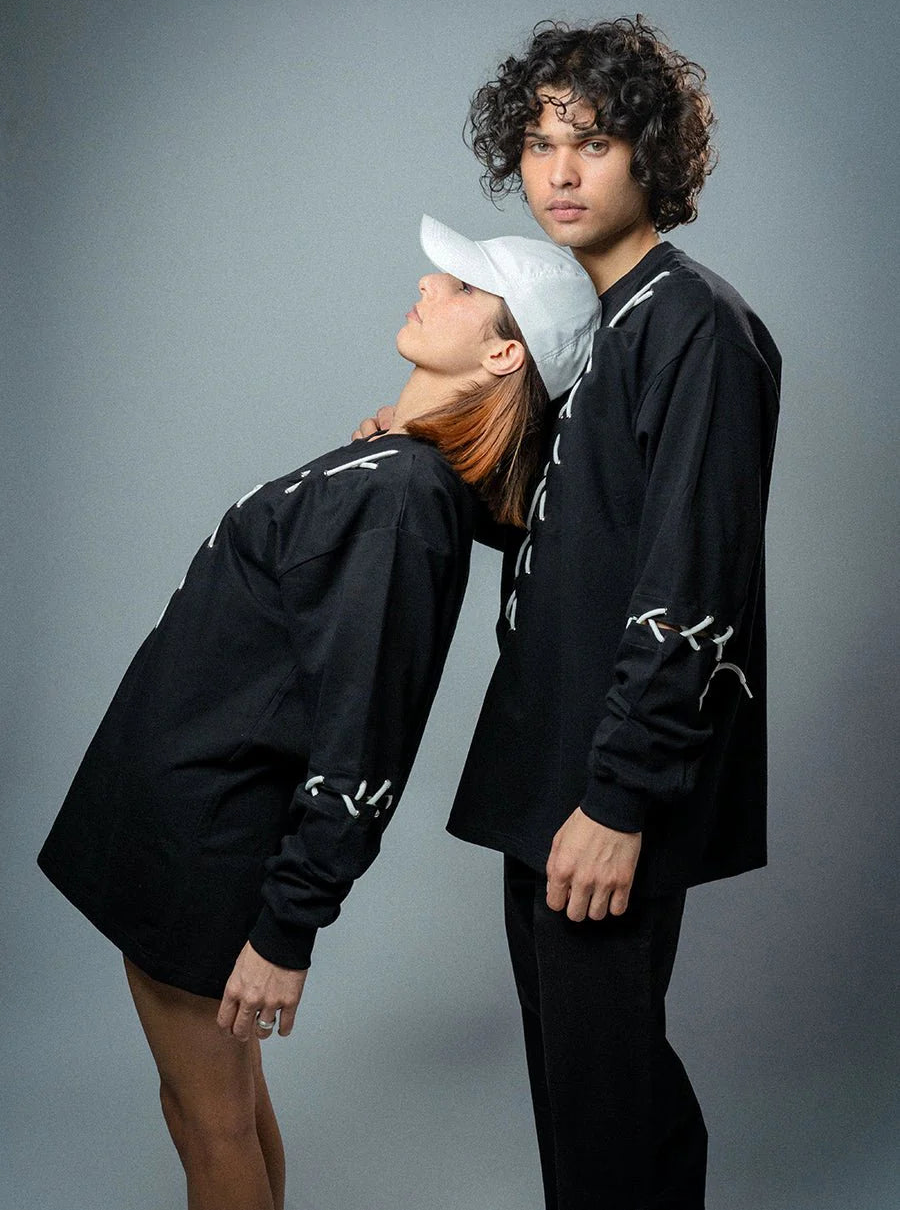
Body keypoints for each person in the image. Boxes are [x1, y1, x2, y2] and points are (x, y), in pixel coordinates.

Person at [37, 215, 601, 1210]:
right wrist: (400, 445)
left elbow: (364, 737)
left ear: (504, 353)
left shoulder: (402, 498)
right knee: (213, 1108)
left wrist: (286, 930)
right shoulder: (400, 477)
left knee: (207, 1119)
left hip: (208, 832)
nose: (431, 284)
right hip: (181, 816)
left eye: (464, 288)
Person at [356, 18, 782, 1209]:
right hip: (553, 775)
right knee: (588, 1095)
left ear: (651, 153)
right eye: (541, 143)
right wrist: (431, 452)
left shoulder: (696, 325)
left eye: (592, 142)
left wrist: (620, 798)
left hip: (604, 788)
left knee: (606, 1106)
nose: (559, 170)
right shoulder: (604, 329)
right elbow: (578, 534)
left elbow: (693, 578)